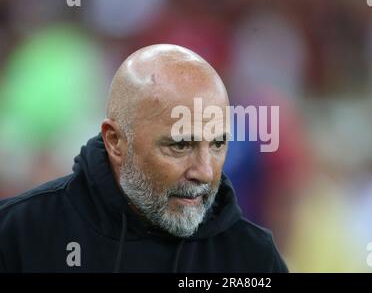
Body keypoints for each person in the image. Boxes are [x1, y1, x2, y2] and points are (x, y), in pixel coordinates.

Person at [0, 44, 288, 272]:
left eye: (217, 145)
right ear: (115, 141)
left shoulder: (252, 258)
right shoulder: (18, 235)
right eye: (179, 146)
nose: (205, 172)